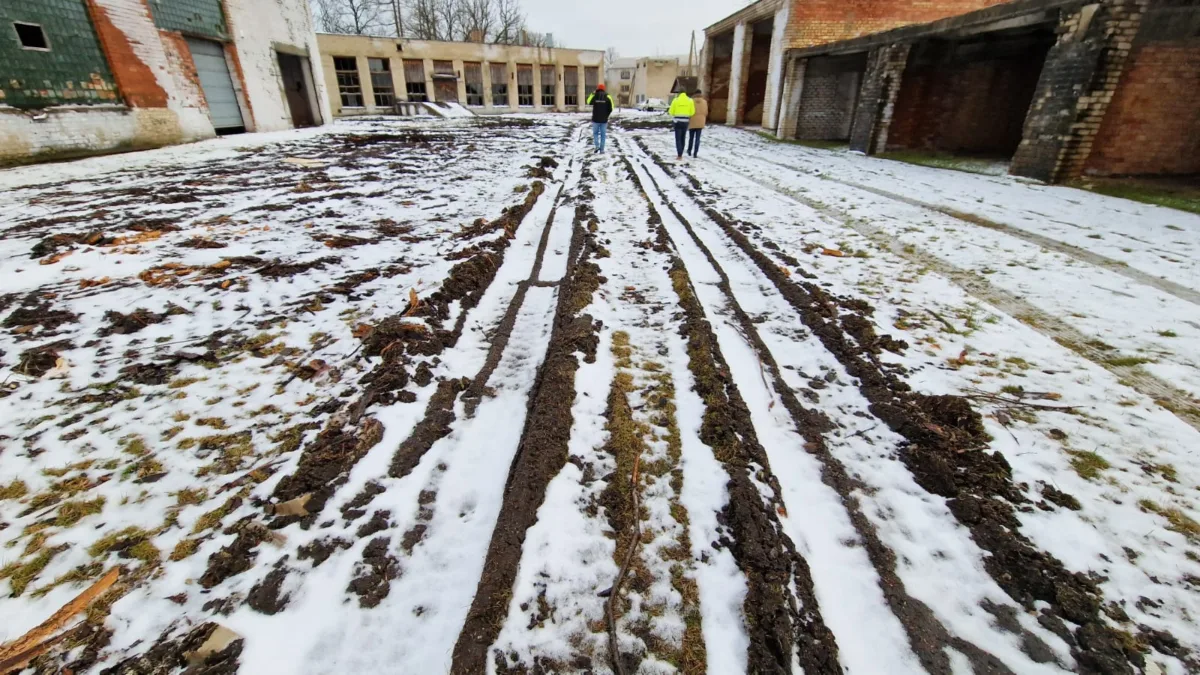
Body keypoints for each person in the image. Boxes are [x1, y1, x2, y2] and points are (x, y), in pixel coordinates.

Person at [668, 90, 696, 162]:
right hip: (685, 122)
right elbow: (692, 112)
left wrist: (676, 114)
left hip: (677, 122)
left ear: (679, 93)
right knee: (683, 137)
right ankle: (681, 153)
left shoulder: (675, 100)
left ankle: (679, 154)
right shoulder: (690, 100)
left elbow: (671, 112)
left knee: (678, 139)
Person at [586, 84, 614, 153]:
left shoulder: (595, 95)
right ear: (604, 89)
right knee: (603, 135)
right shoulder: (608, 96)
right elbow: (611, 107)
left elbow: (588, 102)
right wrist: (606, 115)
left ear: (597, 89)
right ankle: (602, 150)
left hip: (595, 119)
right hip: (604, 120)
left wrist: (592, 93)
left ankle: (597, 146)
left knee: (595, 133)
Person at [687, 90, 708, 159]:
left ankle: (689, 150)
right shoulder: (704, 102)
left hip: (692, 121)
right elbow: (706, 112)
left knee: (691, 138)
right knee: (697, 138)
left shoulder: (691, 101)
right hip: (701, 122)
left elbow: (689, 111)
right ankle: (695, 153)